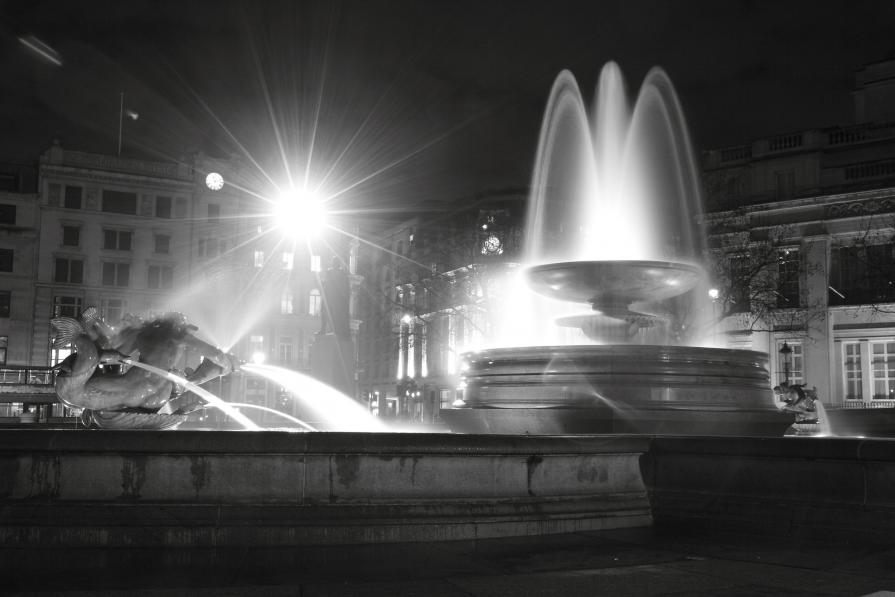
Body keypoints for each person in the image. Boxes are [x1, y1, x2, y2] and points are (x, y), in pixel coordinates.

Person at [319, 256, 351, 339]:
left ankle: (336, 330)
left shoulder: (343, 274)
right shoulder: (328, 272)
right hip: (328, 296)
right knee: (324, 312)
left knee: (335, 315)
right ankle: (323, 329)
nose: (334, 264)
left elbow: (345, 287)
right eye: (334, 262)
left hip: (337, 298)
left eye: (336, 262)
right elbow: (326, 283)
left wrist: (344, 295)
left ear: (338, 264)